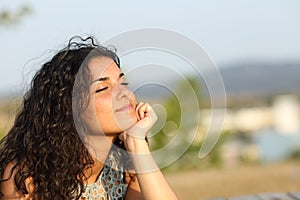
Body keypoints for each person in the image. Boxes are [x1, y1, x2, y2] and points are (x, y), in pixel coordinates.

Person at [0, 36, 178, 199]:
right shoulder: (27, 179)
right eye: (103, 88)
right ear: (70, 108)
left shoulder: (127, 166)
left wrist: (136, 142)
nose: (123, 93)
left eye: (123, 83)